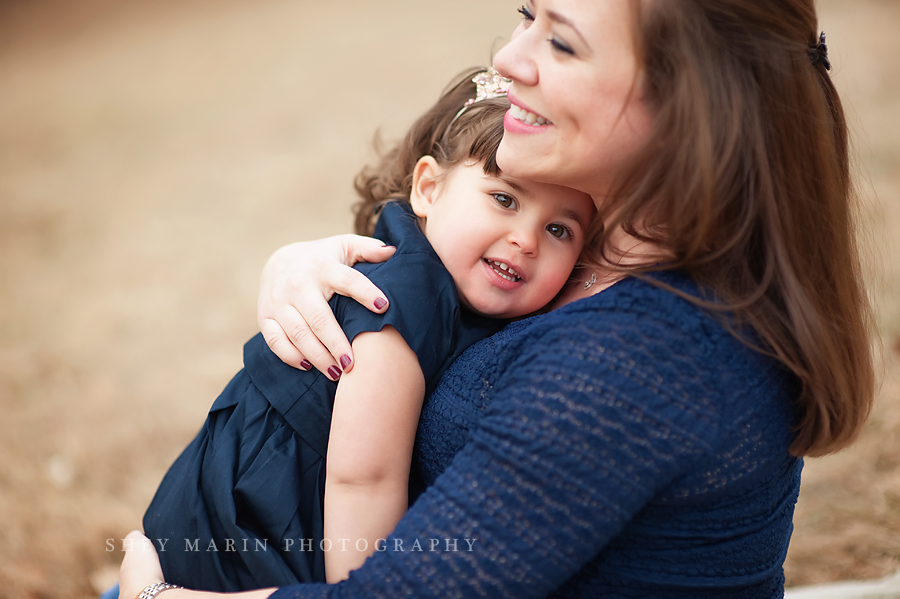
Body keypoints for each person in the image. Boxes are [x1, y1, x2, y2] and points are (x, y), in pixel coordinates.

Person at [118, 0, 875, 597]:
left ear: (688, 106)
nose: (508, 59)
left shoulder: (643, 357)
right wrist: (307, 266)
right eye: (525, 14)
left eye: (563, 42)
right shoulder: (599, 239)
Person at [139, 68, 595, 591]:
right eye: (505, 199)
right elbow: (363, 482)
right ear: (428, 189)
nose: (527, 240)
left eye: (559, 229)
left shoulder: (473, 299)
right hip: (245, 529)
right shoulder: (403, 301)